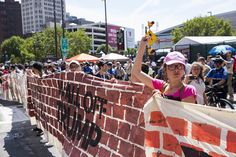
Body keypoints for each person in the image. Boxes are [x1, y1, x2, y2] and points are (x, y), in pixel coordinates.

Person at [131, 36, 196, 103]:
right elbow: (136, 72)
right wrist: (142, 45)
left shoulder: (188, 90)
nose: (176, 70)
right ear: (165, 69)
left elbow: (181, 113)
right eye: (171, 66)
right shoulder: (161, 86)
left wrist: (160, 98)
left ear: (184, 70)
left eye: (179, 66)